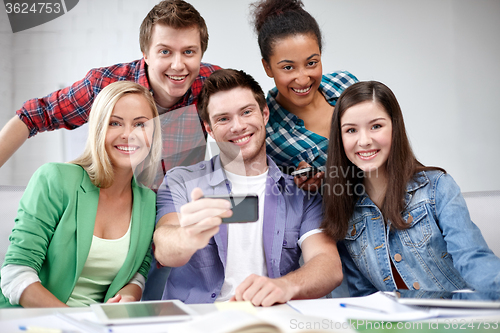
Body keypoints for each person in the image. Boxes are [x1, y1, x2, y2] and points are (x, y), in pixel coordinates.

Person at [153, 69, 342, 306]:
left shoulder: (301, 192)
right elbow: (164, 249)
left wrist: (285, 286)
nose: (238, 126)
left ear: (264, 114)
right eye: (223, 118)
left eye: (246, 112)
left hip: (269, 320)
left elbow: (328, 265)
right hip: (198, 322)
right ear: (209, 129)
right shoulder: (180, 181)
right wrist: (188, 235)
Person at [0, 0, 220, 178]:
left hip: (177, 204)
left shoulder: (215, 85)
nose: (178, 65)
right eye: (165, 52)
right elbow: (34, 116)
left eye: (189, 52)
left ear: (201, 53)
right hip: (116, 204)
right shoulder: (106, 85)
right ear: (145, 53)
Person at [322, 81, 500, 296]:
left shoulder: (438, 187)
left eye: (376, 126)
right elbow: (364, 296)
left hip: (458, 320)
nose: (364, 140)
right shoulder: (343, 207)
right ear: (339, 139)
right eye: (351, 130)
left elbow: (473, 259)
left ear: (395, 128)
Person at [0, 81, 162, 307]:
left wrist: (128, 295)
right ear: (98, 128)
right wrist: (75, 322)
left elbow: (137, 273)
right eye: (115, 123)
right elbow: (16, 274)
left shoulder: (150, 202)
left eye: (140, 124)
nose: (128, 134)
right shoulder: (55, 179)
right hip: (35, 320)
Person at [250, 0, 358, 191]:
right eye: (288, 67)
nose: (302, 79)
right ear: (267, 67)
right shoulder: (267, 135)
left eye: (311, 63)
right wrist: (301, 188)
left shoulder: (346, 84)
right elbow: (274, 199)